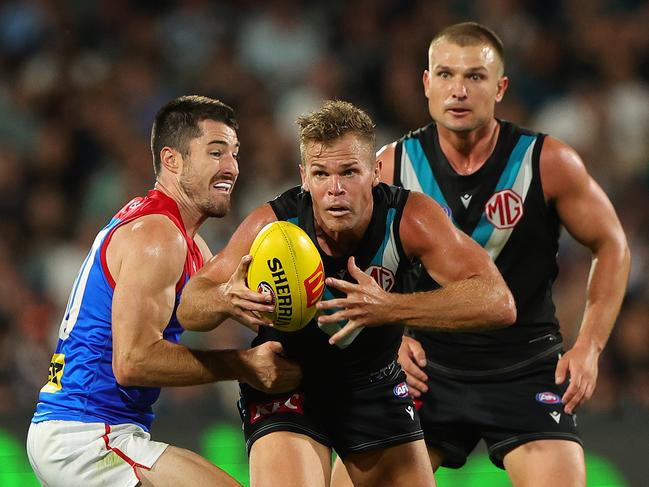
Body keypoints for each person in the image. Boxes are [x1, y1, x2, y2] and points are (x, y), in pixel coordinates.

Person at [332, 22, 631, 487]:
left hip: (525, 366)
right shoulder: (390, 167)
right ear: (427, 83)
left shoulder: (546, 162)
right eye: (446, 75)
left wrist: (589, 346)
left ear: (500, 87)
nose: (459, 90)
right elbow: (353, 268)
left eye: (475, 76)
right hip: (424, 368)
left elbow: (612, 244)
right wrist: (389, 343)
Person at [176, 99, 516, 487]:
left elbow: (498, 301)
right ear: (304, 176)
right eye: (321, 174)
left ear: (374, 172)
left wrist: (390, 307)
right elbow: (190, 306)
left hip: (373, 384)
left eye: (349, 172)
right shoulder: (273, 224)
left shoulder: (409, 219)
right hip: (290, 383)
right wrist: (225, 298)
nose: (335, 189)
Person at [26, 95, 302, 487]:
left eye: (235, 153)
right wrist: (244, 364)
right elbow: (134, 361)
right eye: (216, 152)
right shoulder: (158, 236)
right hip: (87, 434)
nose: (232, 167)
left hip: (95, 429)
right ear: (172, 160)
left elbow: (203, 314)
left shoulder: (185, 240)